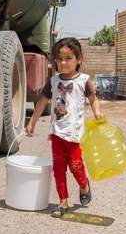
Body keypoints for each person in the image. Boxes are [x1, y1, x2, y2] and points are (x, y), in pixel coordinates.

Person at [25, 37, 103, 218]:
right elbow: (42, 102)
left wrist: (97, 112)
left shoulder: (84, 81)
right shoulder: (53, 81)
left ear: (79, 59)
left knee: (76, 166)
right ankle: (63, 202)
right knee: (59, 168)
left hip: (74, 134)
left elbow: (93, 99)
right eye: (59, 59)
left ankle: (84, 186)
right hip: (57, 132)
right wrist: (32, 122)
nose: (63, 62)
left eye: (68, 58)